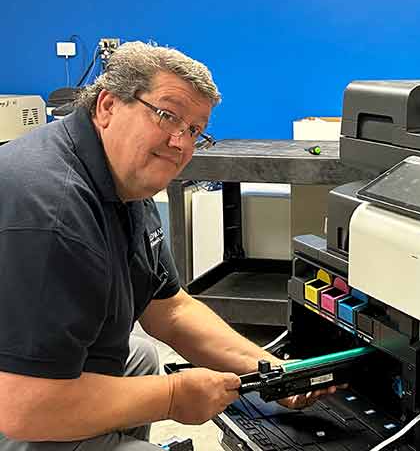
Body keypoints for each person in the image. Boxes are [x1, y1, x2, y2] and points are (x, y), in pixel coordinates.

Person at [0, 42, 332, 449]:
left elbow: (169, 309)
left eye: (194, 130)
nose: (180, 142)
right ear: (107, 106)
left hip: (32, 383)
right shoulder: (52, 213)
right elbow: (25, 407)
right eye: (167, 115)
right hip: (18, 405)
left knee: (139, 356)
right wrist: (173, 397)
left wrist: (270, 369)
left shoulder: (124, 180)